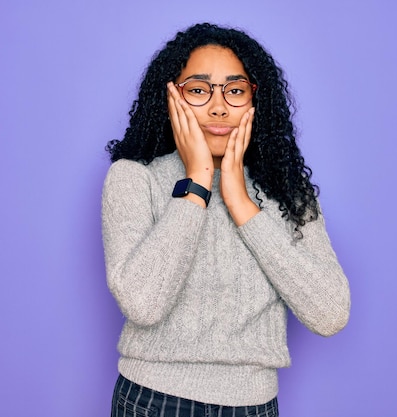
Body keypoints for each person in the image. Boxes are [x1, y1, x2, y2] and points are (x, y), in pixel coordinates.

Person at [102, 22, 350, 417]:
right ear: (170, 97)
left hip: (252, 406)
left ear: (256, 99)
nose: (218, 107)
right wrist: (198, 182)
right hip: (151, 400)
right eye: (198, 90)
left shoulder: (287, 192)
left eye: (234, 90)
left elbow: (330, 314)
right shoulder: (136, 177)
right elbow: (143, 304)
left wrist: (241, 203)